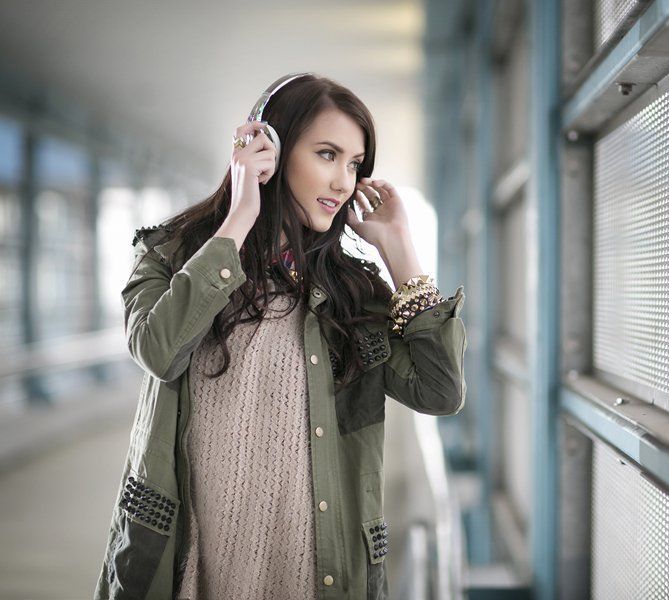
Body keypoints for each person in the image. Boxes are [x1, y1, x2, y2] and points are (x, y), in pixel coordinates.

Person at [92, 73, 467, 600]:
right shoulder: (171, 256)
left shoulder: (352, 296)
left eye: (355, 164)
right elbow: (159, 349)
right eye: (327, 154)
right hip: (195, 570)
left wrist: (401, 251)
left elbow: (440, 391)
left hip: (317, 574)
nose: (343, 181)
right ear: (272, 149)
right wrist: (242, 213)